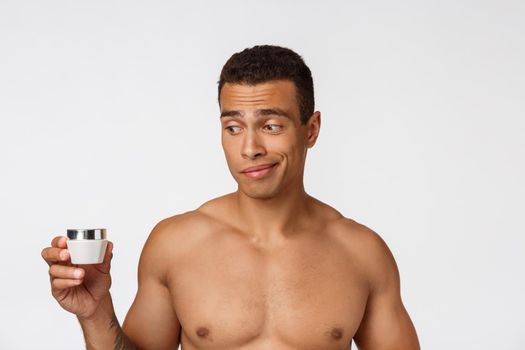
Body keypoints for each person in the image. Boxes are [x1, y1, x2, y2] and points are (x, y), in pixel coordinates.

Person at [41, 45, 420, 350]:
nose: (250, 148)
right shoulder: (176, 245)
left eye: (271, 126)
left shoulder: (361, 253)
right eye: (234, 127)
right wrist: (95, 313)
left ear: (311, 129)